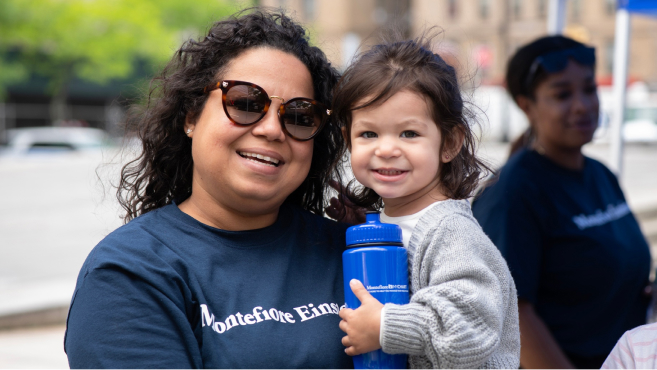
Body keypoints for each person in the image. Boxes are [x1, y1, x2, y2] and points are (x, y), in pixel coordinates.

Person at [64, 10, 353, 368]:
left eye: (298, 115)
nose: (272, 130)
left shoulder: (351, 249)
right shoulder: (129, 273)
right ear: (191, 117)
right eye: (246, 103)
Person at [330, 36, 520, 368]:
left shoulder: (453, 233)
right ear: (348, 140)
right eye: (368, 134)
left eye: (409, 134)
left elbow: (470, 328)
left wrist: (384, 326)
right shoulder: (387, 223)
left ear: (449, 143)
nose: (386, 149)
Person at [471, 35, 652, 369]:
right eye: (562, 94)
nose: (583, 104)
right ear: (526, 104)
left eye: (589, 89)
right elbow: (512, 315)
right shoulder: (514, 191)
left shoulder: (601, 175)